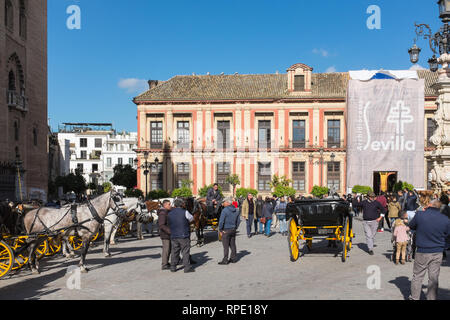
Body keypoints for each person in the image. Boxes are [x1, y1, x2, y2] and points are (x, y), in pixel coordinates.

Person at [409, 199, 450, 300]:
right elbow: (448, 235)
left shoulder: (420, 215)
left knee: (418, 276)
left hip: (422, 250)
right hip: (437, 251)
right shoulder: (445, 219)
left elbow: (411, 226)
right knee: (433, 277)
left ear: (429, 204)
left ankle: (415, 298)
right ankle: (431, 298)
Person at [168, 198, 195, 273]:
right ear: (181, 204)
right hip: (183, 234)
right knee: (185, 251)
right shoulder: (185, 212)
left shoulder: (170, 213)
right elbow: (191, 219)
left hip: (174, 235)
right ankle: (187, 267)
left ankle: (173, 267)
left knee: (174, 251)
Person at [218, 197, 241, 265]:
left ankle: (225, 260)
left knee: (226, 246)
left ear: (227, 203)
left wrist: (221, 230)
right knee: (233, 244)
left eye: (224, 202)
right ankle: (233, 258)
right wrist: (235, 227)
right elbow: (238, 221)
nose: (223, 203)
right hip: (233, 229)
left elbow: (221, 221)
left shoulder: (225, 210)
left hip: (226, 230)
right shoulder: (236, 210)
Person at [157, 199, 172, 270]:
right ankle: (164, 264)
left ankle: (166, 262)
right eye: (169, 204)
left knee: (169, 249)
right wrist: (170, 231)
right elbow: (161, 225)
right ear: (165, 205)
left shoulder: (167, 211)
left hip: (168, 233)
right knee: (166, 249)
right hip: (165, 234)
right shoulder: (163, 213)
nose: (170, 205)